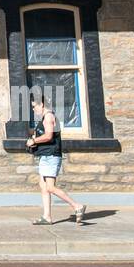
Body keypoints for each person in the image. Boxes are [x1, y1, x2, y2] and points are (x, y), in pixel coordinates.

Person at [27, 95, 87, 225]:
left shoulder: (48, 117)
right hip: (46, 156)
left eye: (34, 106)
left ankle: (77, 206)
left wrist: (34, 140)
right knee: (43, 186)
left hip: (51, 156)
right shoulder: (45, 117)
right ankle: (47, 217)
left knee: (50, 187)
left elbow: (48, 136)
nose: (33, 109)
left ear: (41, 104)